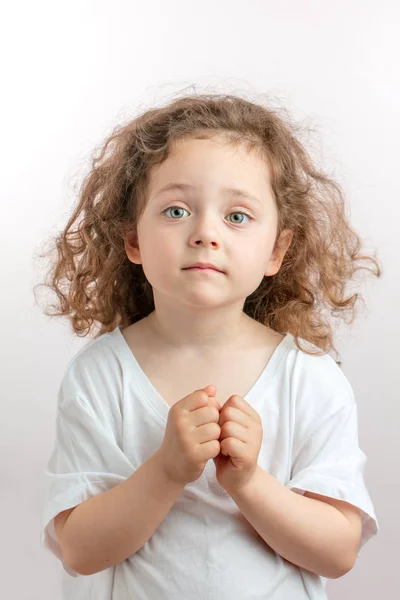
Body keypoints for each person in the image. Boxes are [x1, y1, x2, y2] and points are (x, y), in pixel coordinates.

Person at [37, 92, 381, 600]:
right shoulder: (100, 375)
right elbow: (80, 551)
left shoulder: (308, 378)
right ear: (133, 239)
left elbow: (337, 553)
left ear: (276, 250)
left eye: (237, 216)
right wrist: (166, 470)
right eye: (177, 210)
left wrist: (249, 483)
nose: (205, 233)